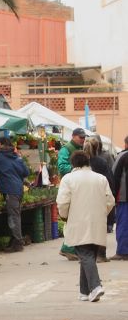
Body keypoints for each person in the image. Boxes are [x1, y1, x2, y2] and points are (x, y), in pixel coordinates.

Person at [56, 150, 115, 301]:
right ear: (88, 161)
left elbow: (62, 202)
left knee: (85, 255)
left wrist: (64, 216)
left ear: (73, 164)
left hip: (77, 223)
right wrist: (102, 213)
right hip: (97, 223)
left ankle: (95, 286)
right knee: (89, 256)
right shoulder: (101, 179)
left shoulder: (68, 179)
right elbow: (110, 201)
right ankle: (84, 291)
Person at [58, 128, 88, 260]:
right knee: (71, 219)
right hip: (70, 186)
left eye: (83, 137)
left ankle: (71, 248)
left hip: (80, 186)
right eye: (80, 137)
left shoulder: (84, 148)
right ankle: (68, 248)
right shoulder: (66, 149)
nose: (82, 139)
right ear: (73, 136)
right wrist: (77, 169)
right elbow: (62, 166)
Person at [85, 136, 116, 242]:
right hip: (98, 197)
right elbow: (109, 180)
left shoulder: (80, 160)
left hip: (84, 196)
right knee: (98, 227)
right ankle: (99, 253)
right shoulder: (101, 161)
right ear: (98, 146)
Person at [113, 136, 128, 260]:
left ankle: (123, 251)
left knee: (123, 224)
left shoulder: (122, 156)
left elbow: (114, 175)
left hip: (124, 197)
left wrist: (113, 195)